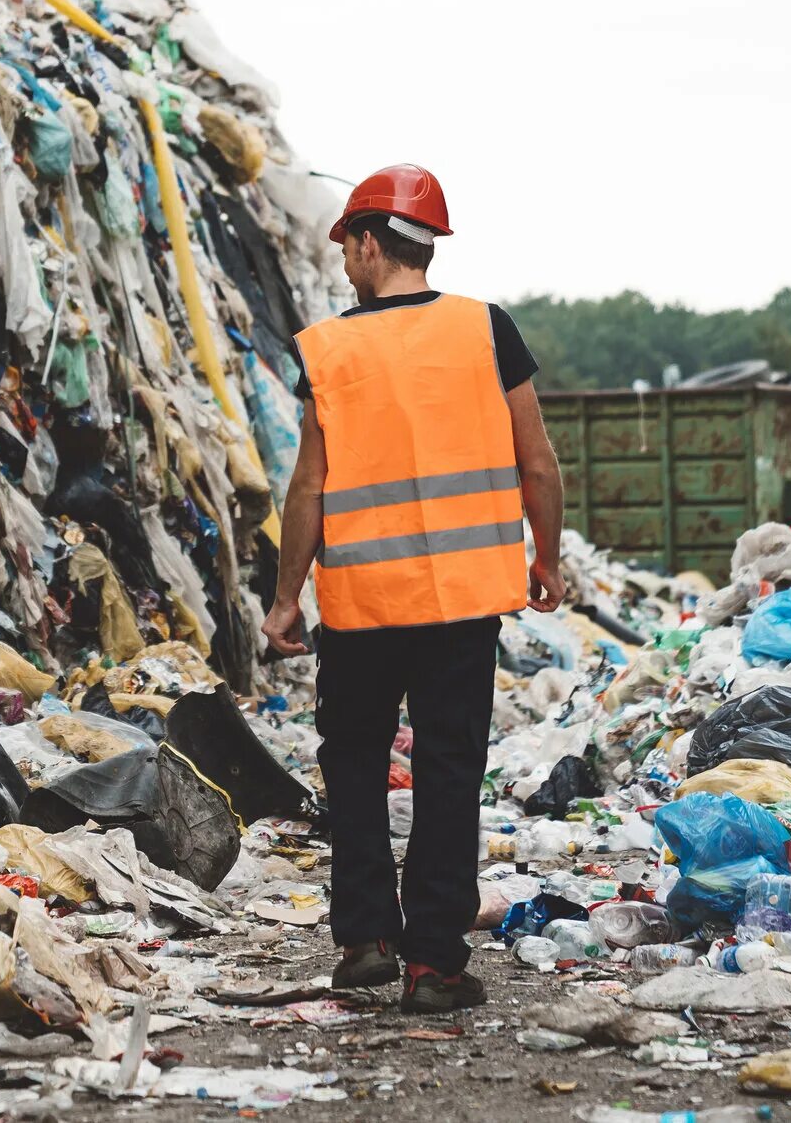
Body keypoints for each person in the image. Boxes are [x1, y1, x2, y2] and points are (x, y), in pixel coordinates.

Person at [261, 163, 564, 1013]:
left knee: (354, 766)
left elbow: (309, 487)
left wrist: (288, 598)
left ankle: (364, 941)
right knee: (447, 774)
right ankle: (434, 964)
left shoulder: (326, 350)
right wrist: (546, 557)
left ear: (368, 242)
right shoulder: (486, 330)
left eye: (347, 247)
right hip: (464, 604)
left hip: (359, 608)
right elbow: (536, 462)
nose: (344, 265)